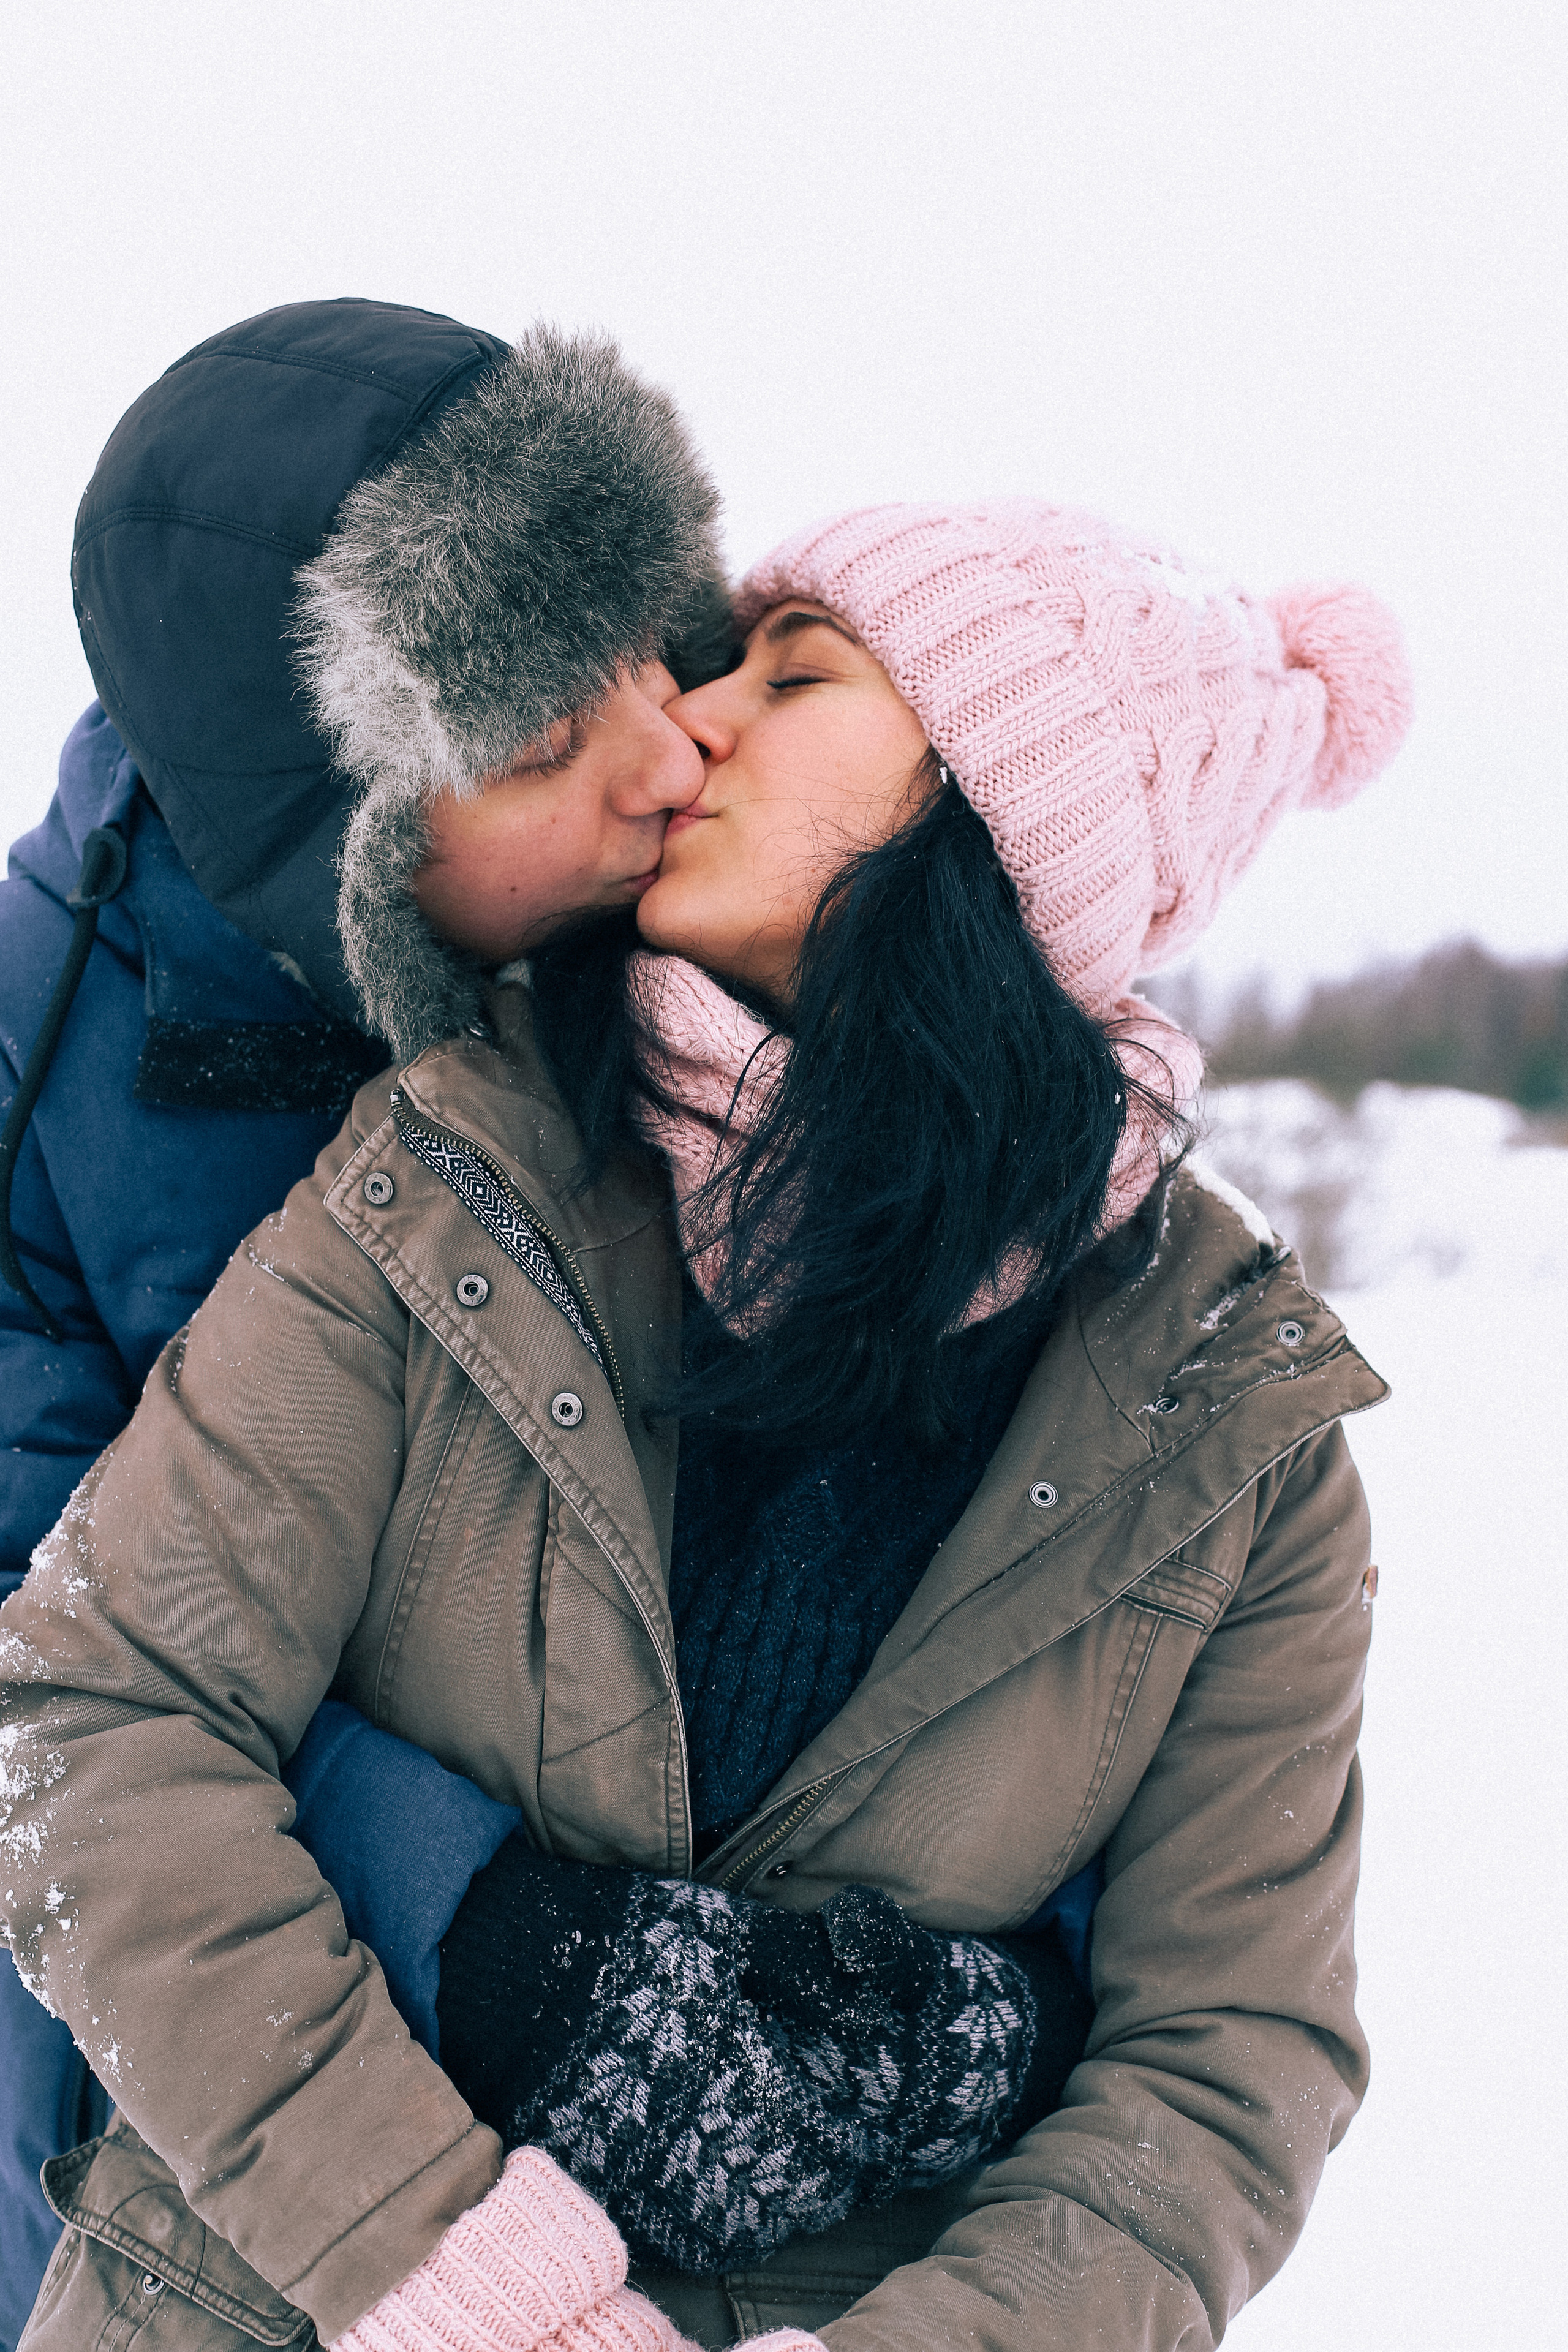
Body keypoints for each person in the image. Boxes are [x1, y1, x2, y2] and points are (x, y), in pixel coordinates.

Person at [0, 496, 1412, 2352]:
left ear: (1011, 819)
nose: (695, 718)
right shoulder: (450, 1175)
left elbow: (1227, 2060)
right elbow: (95, 1710)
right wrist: (465, 2281)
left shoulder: (1234, 1423)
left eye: (796, 678)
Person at [0, 292, 729, 2347]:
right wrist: (484, 1916)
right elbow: (49, 1670)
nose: (672, 757)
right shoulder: (33, 1067)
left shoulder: (659, 961)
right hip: (177, 2120)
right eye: (541, 744)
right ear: (345, 850)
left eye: (644, 651)